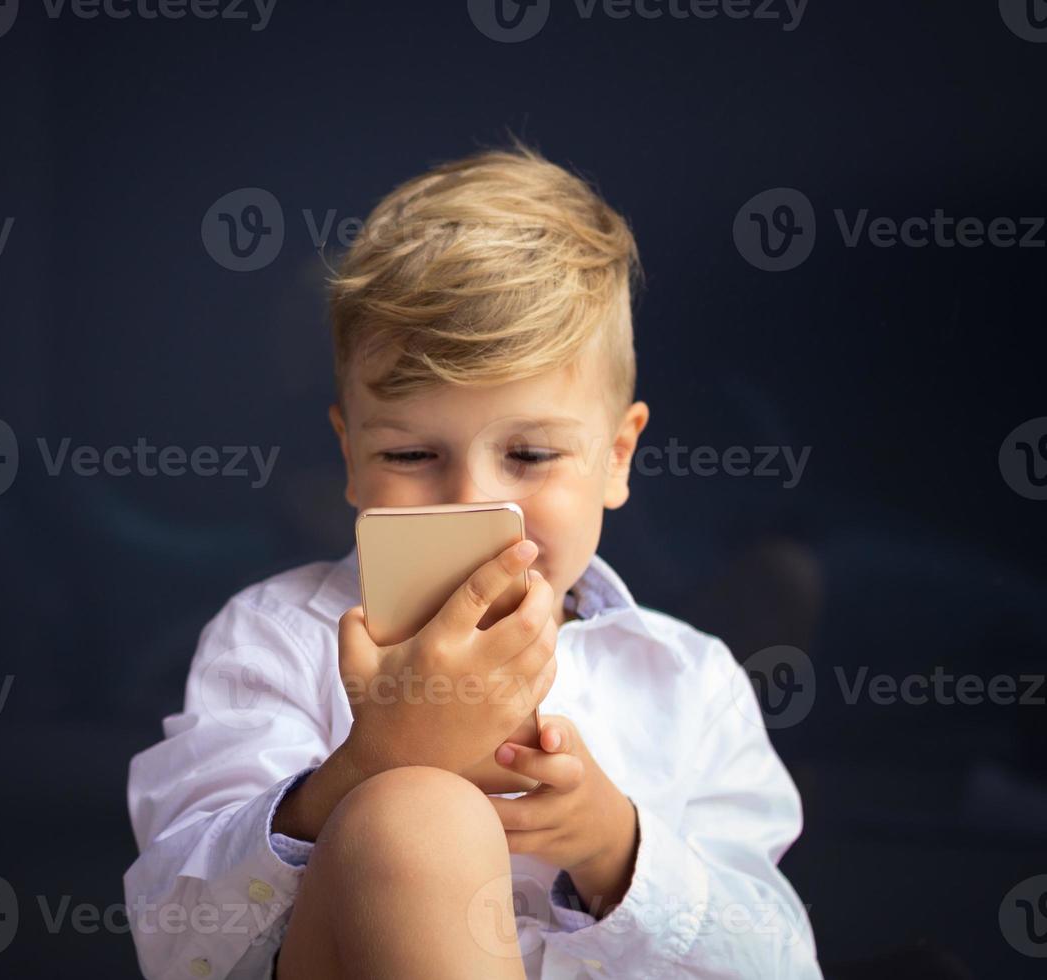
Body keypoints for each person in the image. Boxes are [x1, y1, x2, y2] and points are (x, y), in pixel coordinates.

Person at [124, 139, 821, 979]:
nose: (472, 501)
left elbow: (782, 963)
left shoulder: (689, 682)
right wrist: (367, 765)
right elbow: (177, 939)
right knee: (415, 813)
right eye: (414, 456)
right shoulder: (273, 638)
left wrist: (616, 847)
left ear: (616, 458)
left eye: (529, 455)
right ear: (350, 457)